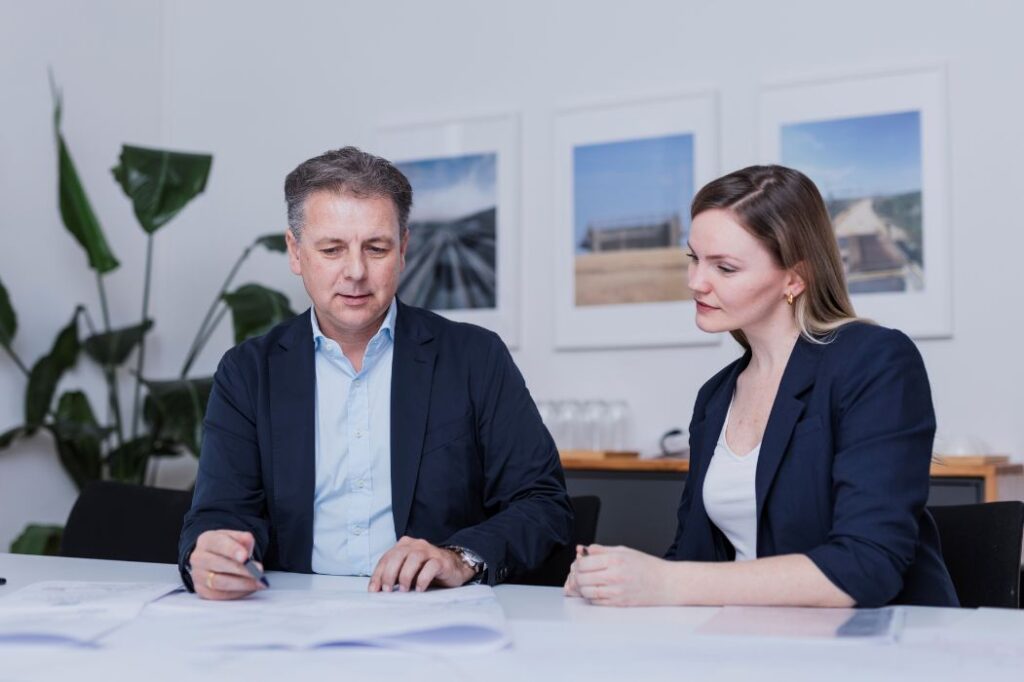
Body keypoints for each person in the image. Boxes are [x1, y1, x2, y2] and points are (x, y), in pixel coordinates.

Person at [179, 146, 572, 599]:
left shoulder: (474, 357)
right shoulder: (249, 373)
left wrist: (459, 557)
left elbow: (544, 507)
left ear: (403, 249)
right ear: (295, 251)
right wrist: (211, 553)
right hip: (292, 622)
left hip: (435, 620)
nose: (356, 272)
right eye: (331, 249)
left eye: (376, 248)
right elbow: (217, 515)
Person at [565, 165, 957, 608]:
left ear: (795, 277)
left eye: (725, 267)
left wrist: (664, 582)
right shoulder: (716, 397)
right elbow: (691, 557)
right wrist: (611, 581)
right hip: (756, 644)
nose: (696, 282)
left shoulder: (874, 361)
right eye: (694, 258)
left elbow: (865, 567)